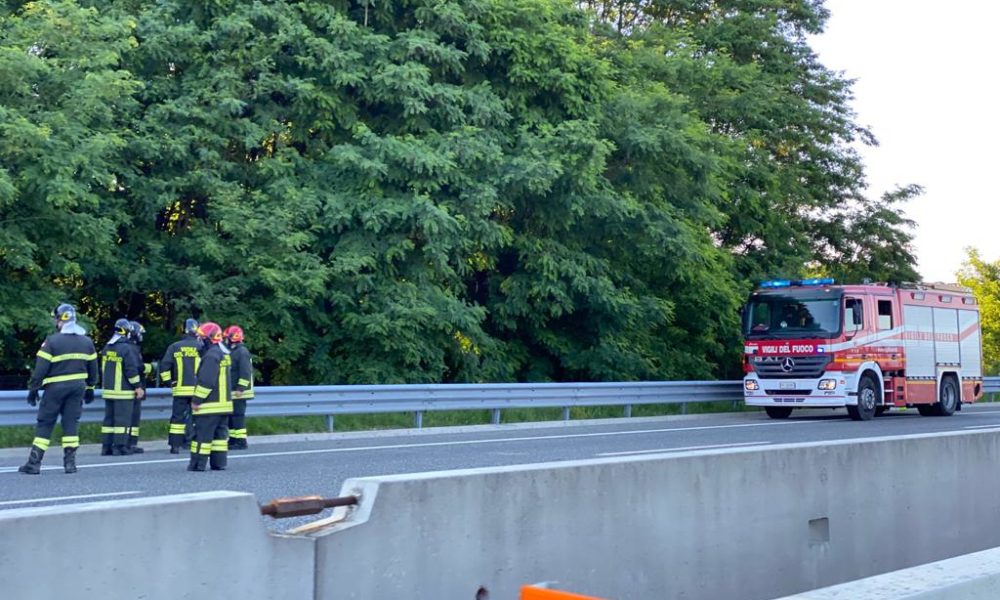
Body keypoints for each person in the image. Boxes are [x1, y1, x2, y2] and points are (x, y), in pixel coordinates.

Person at [19, 304, 99, 474]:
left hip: (55, 389)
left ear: (59, 319)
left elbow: (40, 369)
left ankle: (34, 464)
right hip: (78, 388)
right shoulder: (87, 341)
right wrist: (91, 387)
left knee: (45, 423)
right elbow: (93, 368)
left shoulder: (52, 341)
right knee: (71, 423)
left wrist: (33, 389)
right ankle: (70, 464)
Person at [189, 322, 233, 472]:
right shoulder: (223, 354)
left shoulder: (211, 356)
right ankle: (219, 463)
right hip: (223, 405)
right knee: (219, 437)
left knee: (202, 436)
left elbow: (206, 381)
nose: (198, 342)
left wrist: (196, 400)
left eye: (201, 338)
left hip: (209, 406)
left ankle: (198, 464)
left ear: (209, 339)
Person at [100, 318, 144, 456]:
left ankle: (106, 447)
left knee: (109, 420)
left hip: (108, 390)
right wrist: (137, 386)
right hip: (123, 391)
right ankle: (119, 447)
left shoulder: (107, 347)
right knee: (122, 420)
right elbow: (131, 370)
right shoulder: (126, 348)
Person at [160, 318, 201, 453]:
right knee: (196, 417)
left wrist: (169, 382)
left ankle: (175, 445)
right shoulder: (202, 347)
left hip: (180, 389)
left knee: (177, 417)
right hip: (198, 390)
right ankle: (191, 442)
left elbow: (164, 367)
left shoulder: (175, 347)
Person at [224, 325, 254, 450]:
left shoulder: (242, 352)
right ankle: (233, 439)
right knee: (232, 417)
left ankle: (241, 441)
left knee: (238, 416)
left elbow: (245, 371)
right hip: (233, 390)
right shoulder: (233, 351)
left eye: (227, 338)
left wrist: (240, 388)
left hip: (240, 391)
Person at [127, 321, 153, 454]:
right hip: (135, 388)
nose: (141, 336)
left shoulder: (130, 348)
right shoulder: (132, 349)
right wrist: (150, 367)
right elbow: (137, 367)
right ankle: (131, 443)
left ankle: (131, 442)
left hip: (131, 388)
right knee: (133, 417)